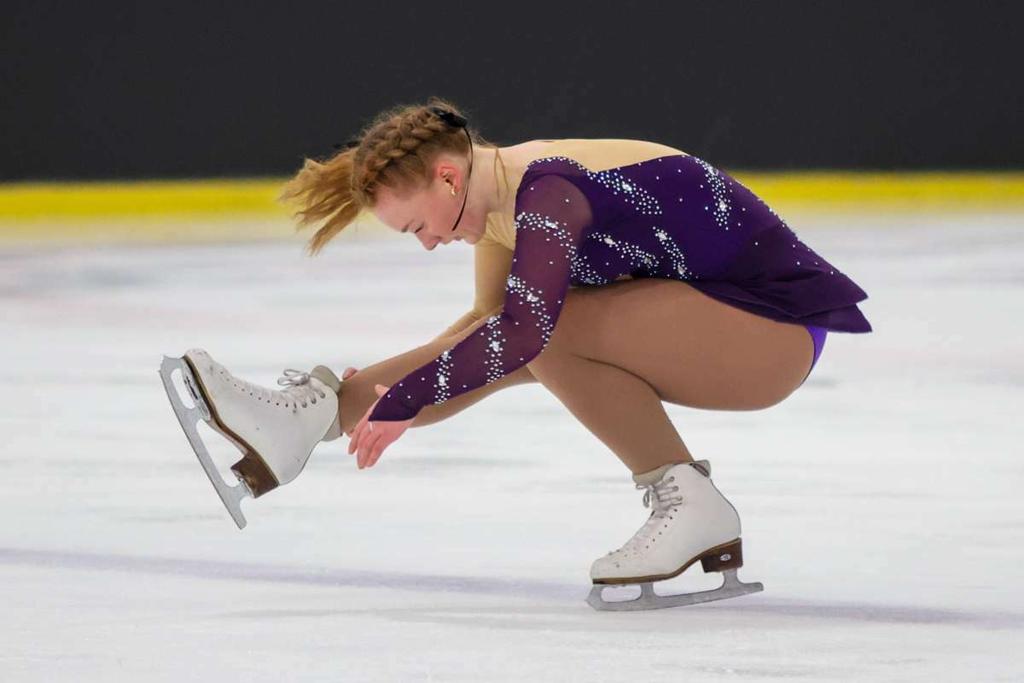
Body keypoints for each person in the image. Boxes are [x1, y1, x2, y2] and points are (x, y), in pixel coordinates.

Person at [163, 97, 871, 610]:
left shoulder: (547, 192)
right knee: (516, 331)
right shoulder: (501, 200)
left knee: (540, 327)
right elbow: (479, 337)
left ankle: (691, 503)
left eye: (417, 227)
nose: (429, 244)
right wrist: (353, 404)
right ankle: (301, 419)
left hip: (772, 331)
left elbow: (524, 333)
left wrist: (407, 397)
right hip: (724, 323)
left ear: (447, 177)